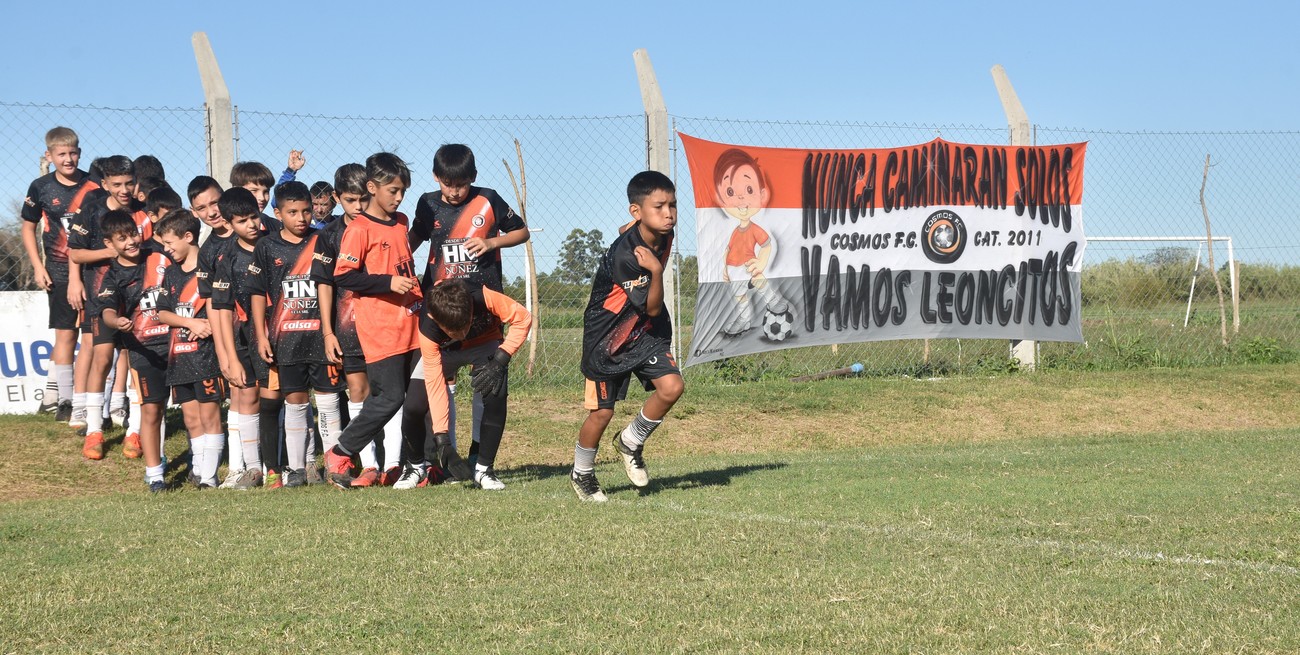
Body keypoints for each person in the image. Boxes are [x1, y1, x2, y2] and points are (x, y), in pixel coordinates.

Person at [408, 143, 529, 470]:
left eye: (460, 184)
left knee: (485, 385)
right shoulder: (428, 203)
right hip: (441, 308)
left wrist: (492, 242)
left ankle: (478, 455)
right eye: (447, 184)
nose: (454, 191)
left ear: (472, 178)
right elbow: (415, 237)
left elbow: (521, 231)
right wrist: (397, 260)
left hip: (483, 306)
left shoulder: (488, 199)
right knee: (437, 383)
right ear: (436, 178)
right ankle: (448, 455)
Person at [570, 171, 684, 502]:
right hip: (608, 338)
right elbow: (650, 308)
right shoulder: (627, 257)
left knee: (672, 387)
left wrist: (632, 229)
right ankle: (582, 472)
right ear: (637, 211)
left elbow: (628, 229)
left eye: (673, 205)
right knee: (602, 413)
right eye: (659, 206)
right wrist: (657, 271)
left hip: (644, 333)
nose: (668, 214)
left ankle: (631, 441)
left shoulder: (663, 231)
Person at [321, 153, 423, 490]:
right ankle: (341, 452)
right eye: (392, 190)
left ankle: (416, 467)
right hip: (381, 330)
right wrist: (387, 283)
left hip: (413, 324)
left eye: (402, 191)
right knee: (388, 398)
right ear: (371, 187)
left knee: (417, 400)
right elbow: (344, 276)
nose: (398, 197)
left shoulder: (402, 222)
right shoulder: (360, 229)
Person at [247, 181, 342, 488]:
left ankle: (335, 463)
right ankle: (296, 468)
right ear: (278, 213)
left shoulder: (324, 239)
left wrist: (331, 331)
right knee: (296, 401)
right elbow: (258, 293)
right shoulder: (266, 246)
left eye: (306, 211)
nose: (301, 218)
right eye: (292, 212)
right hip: (285, 340)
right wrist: (261, 336)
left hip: (321, 337)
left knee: (328, 401)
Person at [395, 279, 528, 490]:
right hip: (444, 352)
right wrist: (441, 437)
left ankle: (484, 470)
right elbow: (436, 383)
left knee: (496, 393)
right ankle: (415, 466)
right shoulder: (428, 325)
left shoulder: (482, 297)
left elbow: (522, 317)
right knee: (413, 405)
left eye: (464, 327)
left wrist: (501, 359)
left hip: (484, 342)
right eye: (452, 331)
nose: (461, 335)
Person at [311, 164, 395, 486]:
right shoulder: (329, 235)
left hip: (385, 325)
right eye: (350, 200)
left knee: (388, 392)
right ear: (336, 198)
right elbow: (324, 283)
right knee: (358, 391)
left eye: (362, 199)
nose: (358, 207)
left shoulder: (384, 226)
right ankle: (369, 465)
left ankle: (395, 463)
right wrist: (328, 332)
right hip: (347, 330)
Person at [68, 156, 146, 458]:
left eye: (129, 183)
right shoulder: (92, 211)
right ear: (105, 184)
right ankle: (94, 431)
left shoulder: (143, 213)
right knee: (102, 358)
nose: (124, 190)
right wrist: (110, 251)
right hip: (103, 296)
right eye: (117, 184)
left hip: (140, 300)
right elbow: (76, 254)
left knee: (136, 362)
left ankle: (135, 431)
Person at [22, 127, 98, 420]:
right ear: (49, 155)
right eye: (62, 154)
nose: (68, 159)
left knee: (94, 338)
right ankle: (64, 402)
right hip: (58, 271)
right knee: (66, 336)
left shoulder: (94, 186)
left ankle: (89, 400)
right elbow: (28, 227)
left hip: (92, 272)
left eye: (73, 153)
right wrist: (38, 266)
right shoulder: (40, 187)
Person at [95, 210, 172, 492]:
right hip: (144, 350)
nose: (130, 241)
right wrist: (117, 322)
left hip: (179, 342)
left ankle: (201, 466)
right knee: (151, 411)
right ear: (110, 244)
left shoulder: (159, 254)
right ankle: (155, 474)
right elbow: (106, 312)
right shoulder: (112, 276)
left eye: (133, 234)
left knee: (192, 410)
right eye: (122, 238)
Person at [155, 210, 227, 488]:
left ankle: (209, 477)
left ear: (188, 237)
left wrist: (208, 325)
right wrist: (189, 323)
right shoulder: (171, 274)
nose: (166, 249)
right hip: (179, 359)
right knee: (191, 418)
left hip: (206, 359)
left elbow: (219, 309)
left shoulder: (209, 269)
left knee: (210, 416)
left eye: (169, 243)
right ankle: (198, 468)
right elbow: (162, 313)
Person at [209, 188, 269, 490]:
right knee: (246, 396)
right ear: (229, 224)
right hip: (246, 338)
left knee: (276, 397)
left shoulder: (274, 241)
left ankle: (279, 465)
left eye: (254, 217)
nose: (252, 225)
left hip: (279, 332)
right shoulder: (227, 259)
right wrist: (229, 357)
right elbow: (220, 310)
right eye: (243, 221)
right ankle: (252, 468)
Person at [712, 148, 789, 336]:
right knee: (740, 297)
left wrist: (762, 261)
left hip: (747, 264)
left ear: (762, 195)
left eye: (748, 190)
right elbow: (728, 249)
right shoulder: (734, 230)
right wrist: (724, 268)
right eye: (730, 191)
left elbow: (766, 244)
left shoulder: (754, 228)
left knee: (758, 277)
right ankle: (744, 321)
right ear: (721, 198)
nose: (740, 197)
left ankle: (773, 302)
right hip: (733, 267)